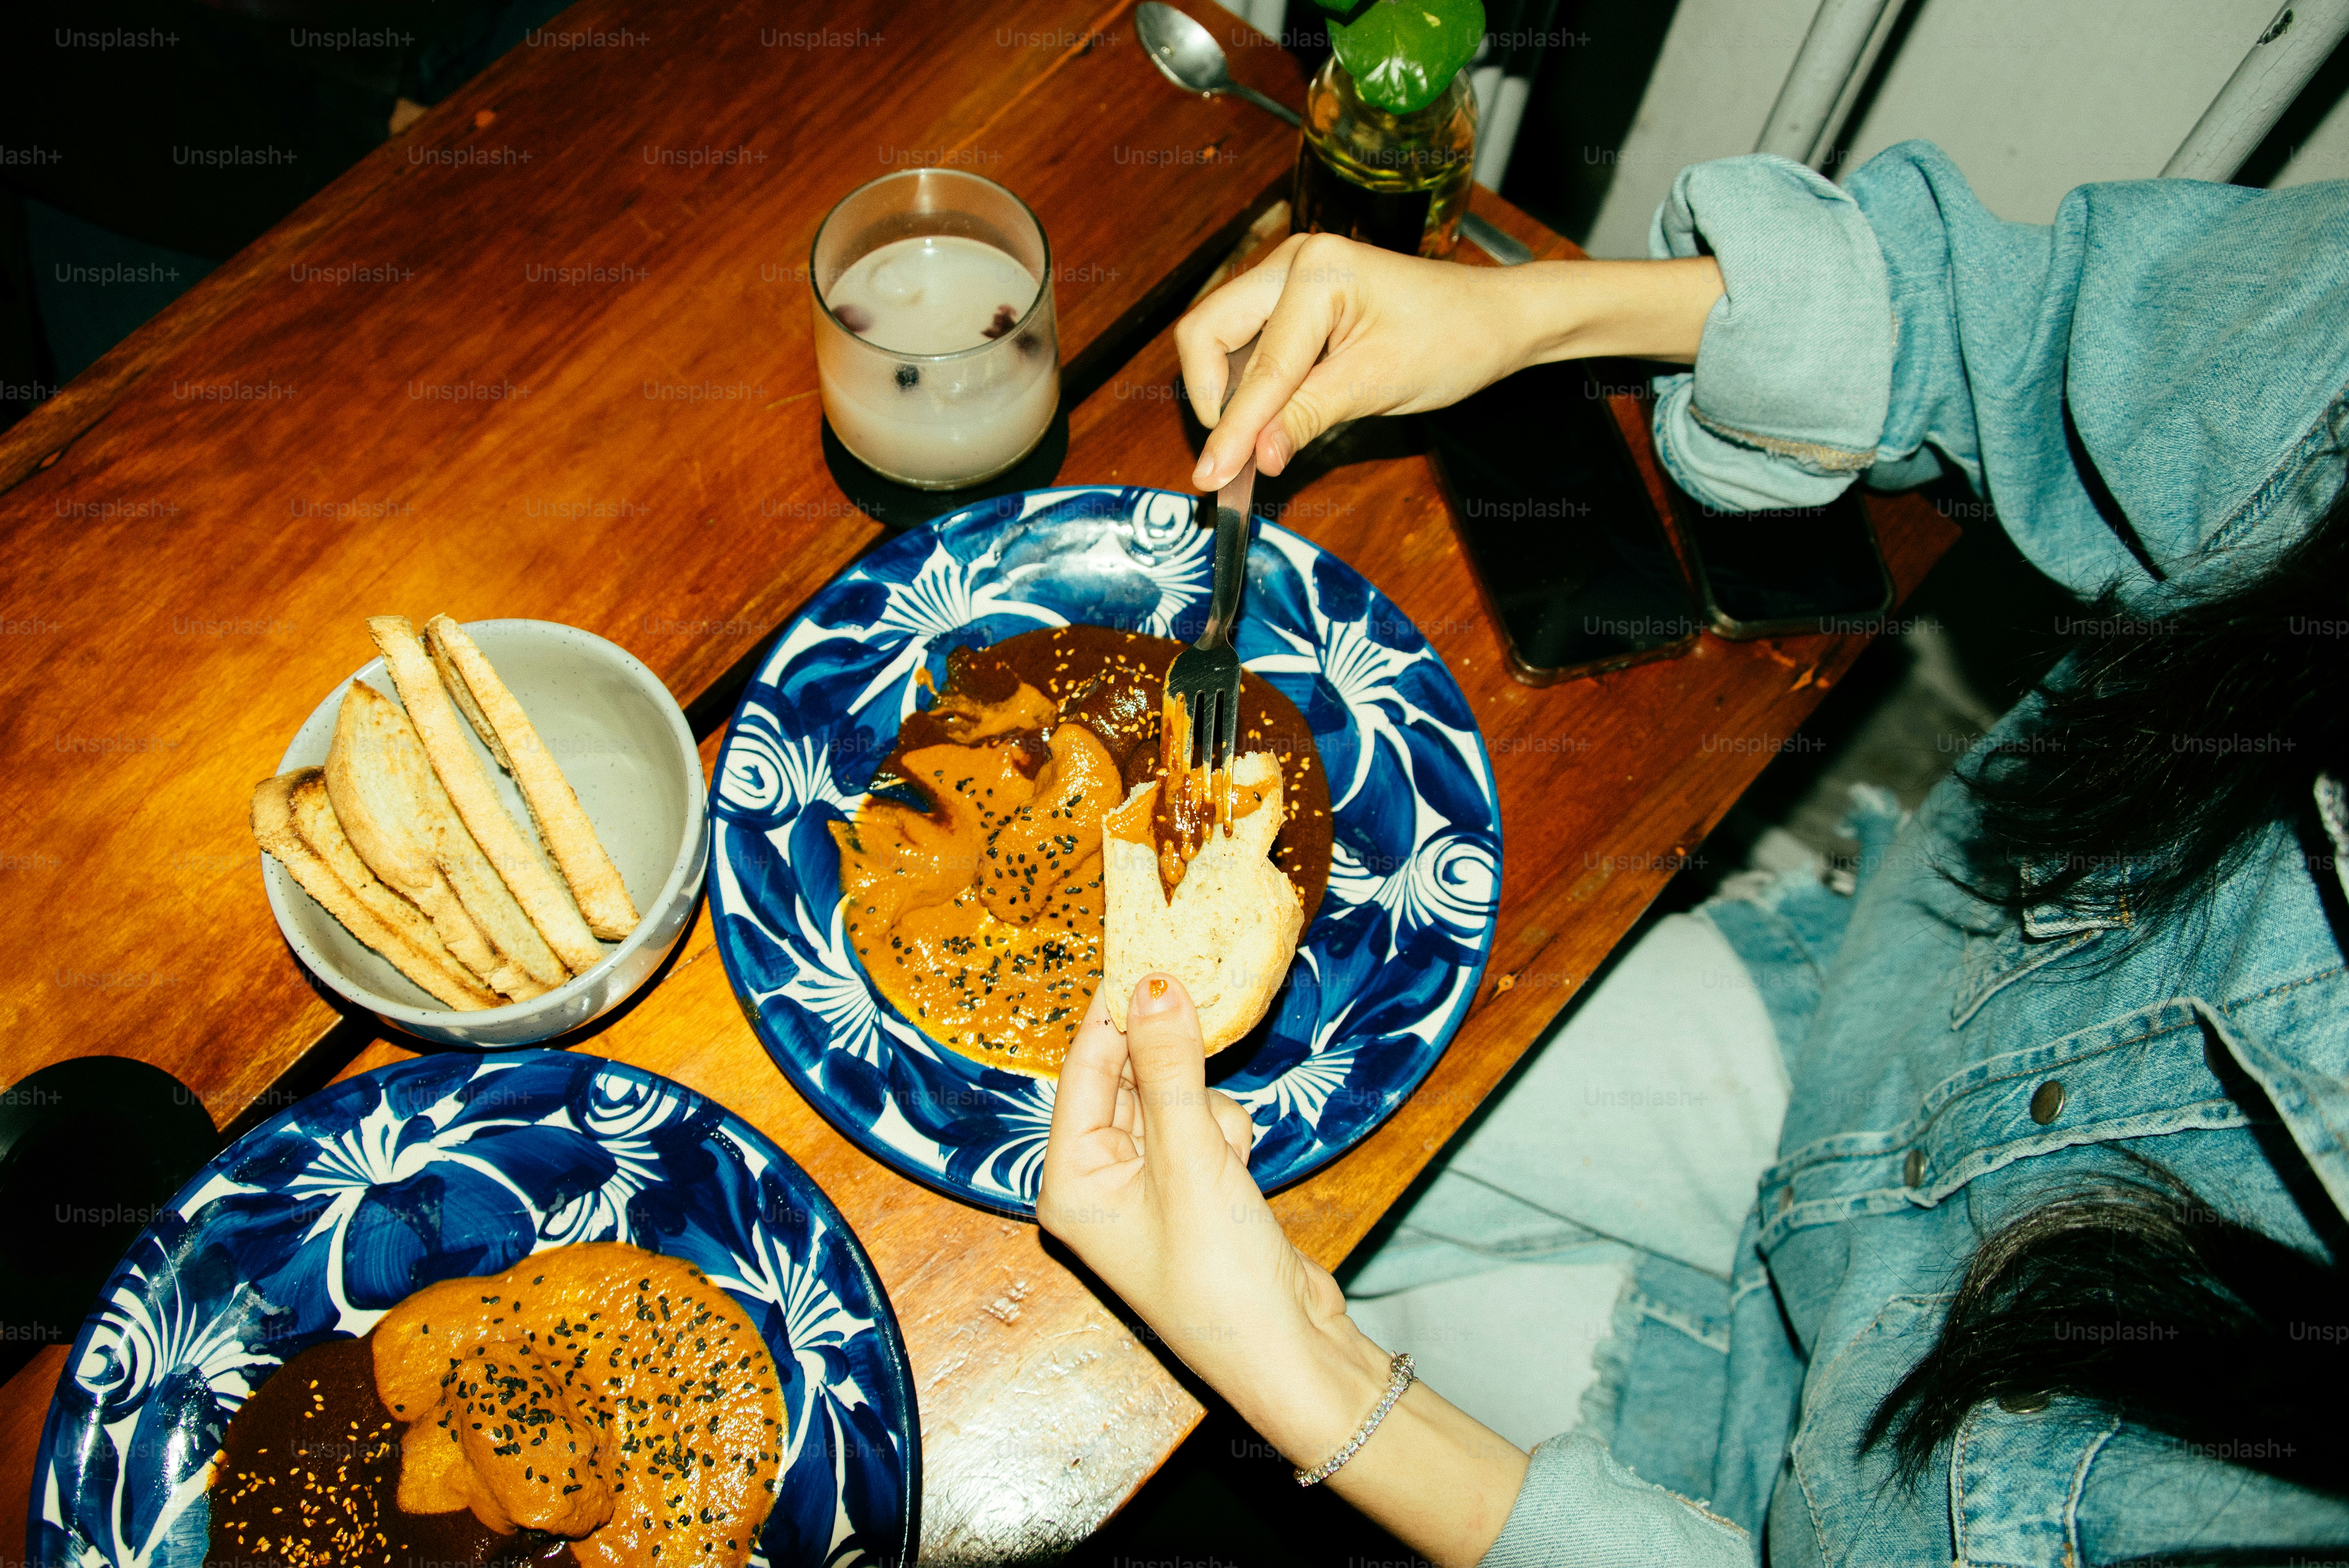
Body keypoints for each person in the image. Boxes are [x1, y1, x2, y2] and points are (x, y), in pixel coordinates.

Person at [1039, 140, 2349, 1565]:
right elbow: (2036, 322)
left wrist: (1316, 1382)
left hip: (1776, 1491)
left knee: (1164, 1326)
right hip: (1868, 1034)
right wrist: (1526, 314)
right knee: (1287, 1151)